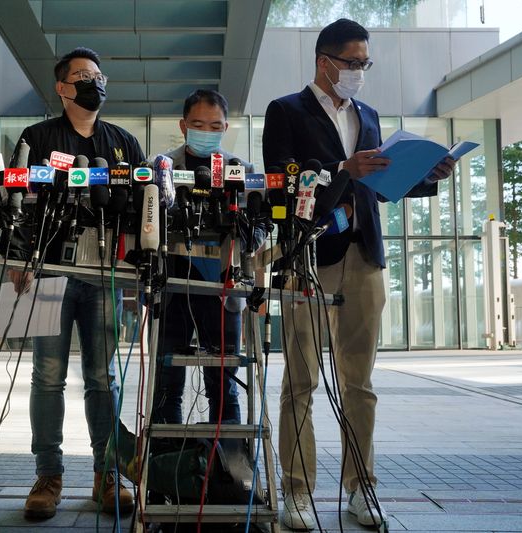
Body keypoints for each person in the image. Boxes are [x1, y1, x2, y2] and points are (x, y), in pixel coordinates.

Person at [262, 19, 456, 530]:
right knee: (300, 379)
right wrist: (344, 168)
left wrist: (425, 175)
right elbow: (282, 184)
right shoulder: (285, 111)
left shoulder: (368, 114)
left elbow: (382, 183)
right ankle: (298, 491)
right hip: (308, 254)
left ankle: (360, 487)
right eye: (352, 64)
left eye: (365, 64)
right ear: (324, 62)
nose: (359, 73)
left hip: (364, 256)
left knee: (360, 382)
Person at [7, 47, 145, 519]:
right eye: (83, 76)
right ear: (62, 88)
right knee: (47, 375)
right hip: (49, 272)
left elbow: (145, 210)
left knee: (102, 376)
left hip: (106, 274)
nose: (94, 83)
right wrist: (19, 258)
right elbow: (16, 199)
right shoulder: (37, 137)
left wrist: (138, 275)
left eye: (99, 76)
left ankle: (107, 475)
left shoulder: (124, 142)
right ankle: (49, 475)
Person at [152, 89, 254, 427]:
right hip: (172, 287)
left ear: (225, 128)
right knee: (168, 382)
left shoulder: (241, 170)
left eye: (214, 126)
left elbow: (258, 230)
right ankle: (169, 470)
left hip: (222, 290)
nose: (206, 132)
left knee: (223, 384)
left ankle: (228, 473)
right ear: (183, 126)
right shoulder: (160, 168)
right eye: (197, 124)